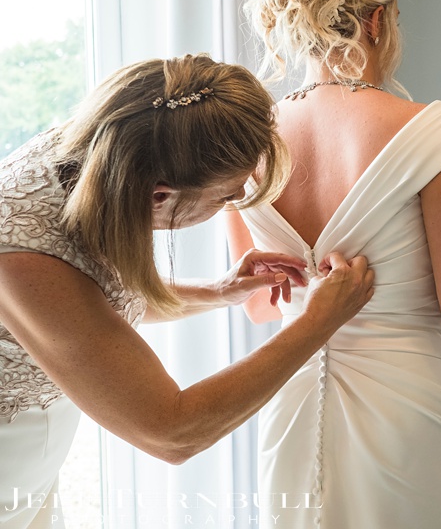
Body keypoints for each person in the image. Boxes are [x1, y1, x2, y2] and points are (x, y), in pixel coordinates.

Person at [0, 54, 374, 529]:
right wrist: (318, 322)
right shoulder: (22, 256)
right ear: (161, 194)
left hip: (37, 458)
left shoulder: (107, 141)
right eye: (226, 196)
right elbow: (171, 432)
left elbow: (88, 308)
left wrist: (218, 290)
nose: (233, 205)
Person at [227, 0, 441, 528]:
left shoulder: (249, 141)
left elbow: (262, 306)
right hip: (412, 409)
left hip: (291, 399)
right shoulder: (427, 131)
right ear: (378, 18)